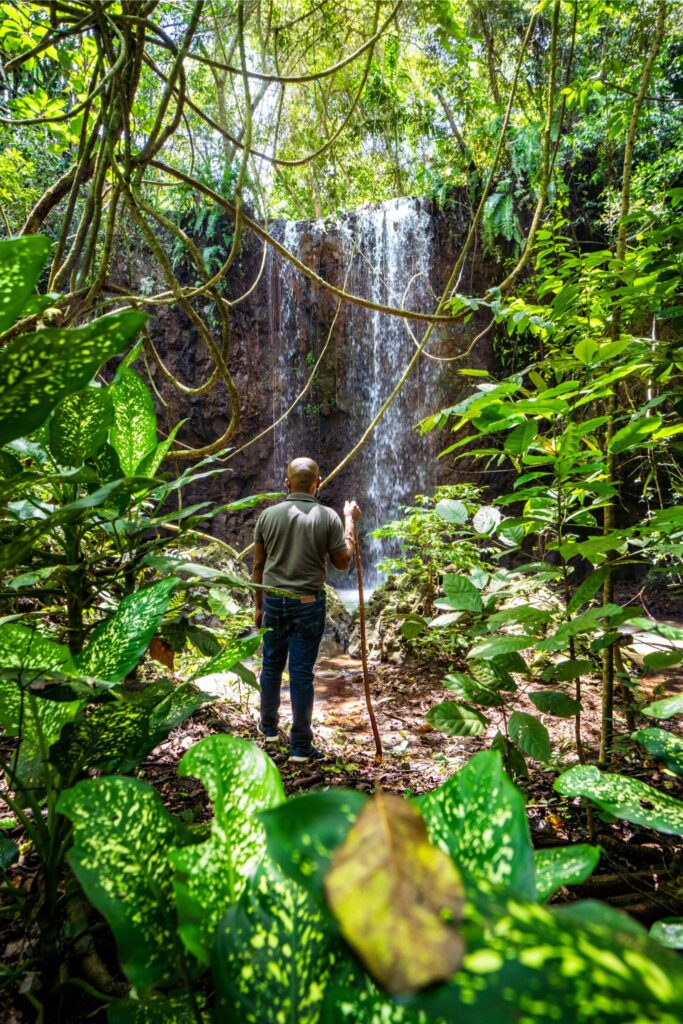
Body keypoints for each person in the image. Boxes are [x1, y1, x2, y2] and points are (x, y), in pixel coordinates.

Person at [252, 457, 360, 762]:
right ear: (318, 483)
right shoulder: (328, 517)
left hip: (272, 600)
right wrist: (349, 521)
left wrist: (257, 607)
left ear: (286, 483)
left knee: (271, 665)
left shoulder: (267, 516)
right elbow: (342, 562)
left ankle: (269, 728)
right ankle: (300, 746)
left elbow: (258, 565)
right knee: (301, 672)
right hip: (309, 604)